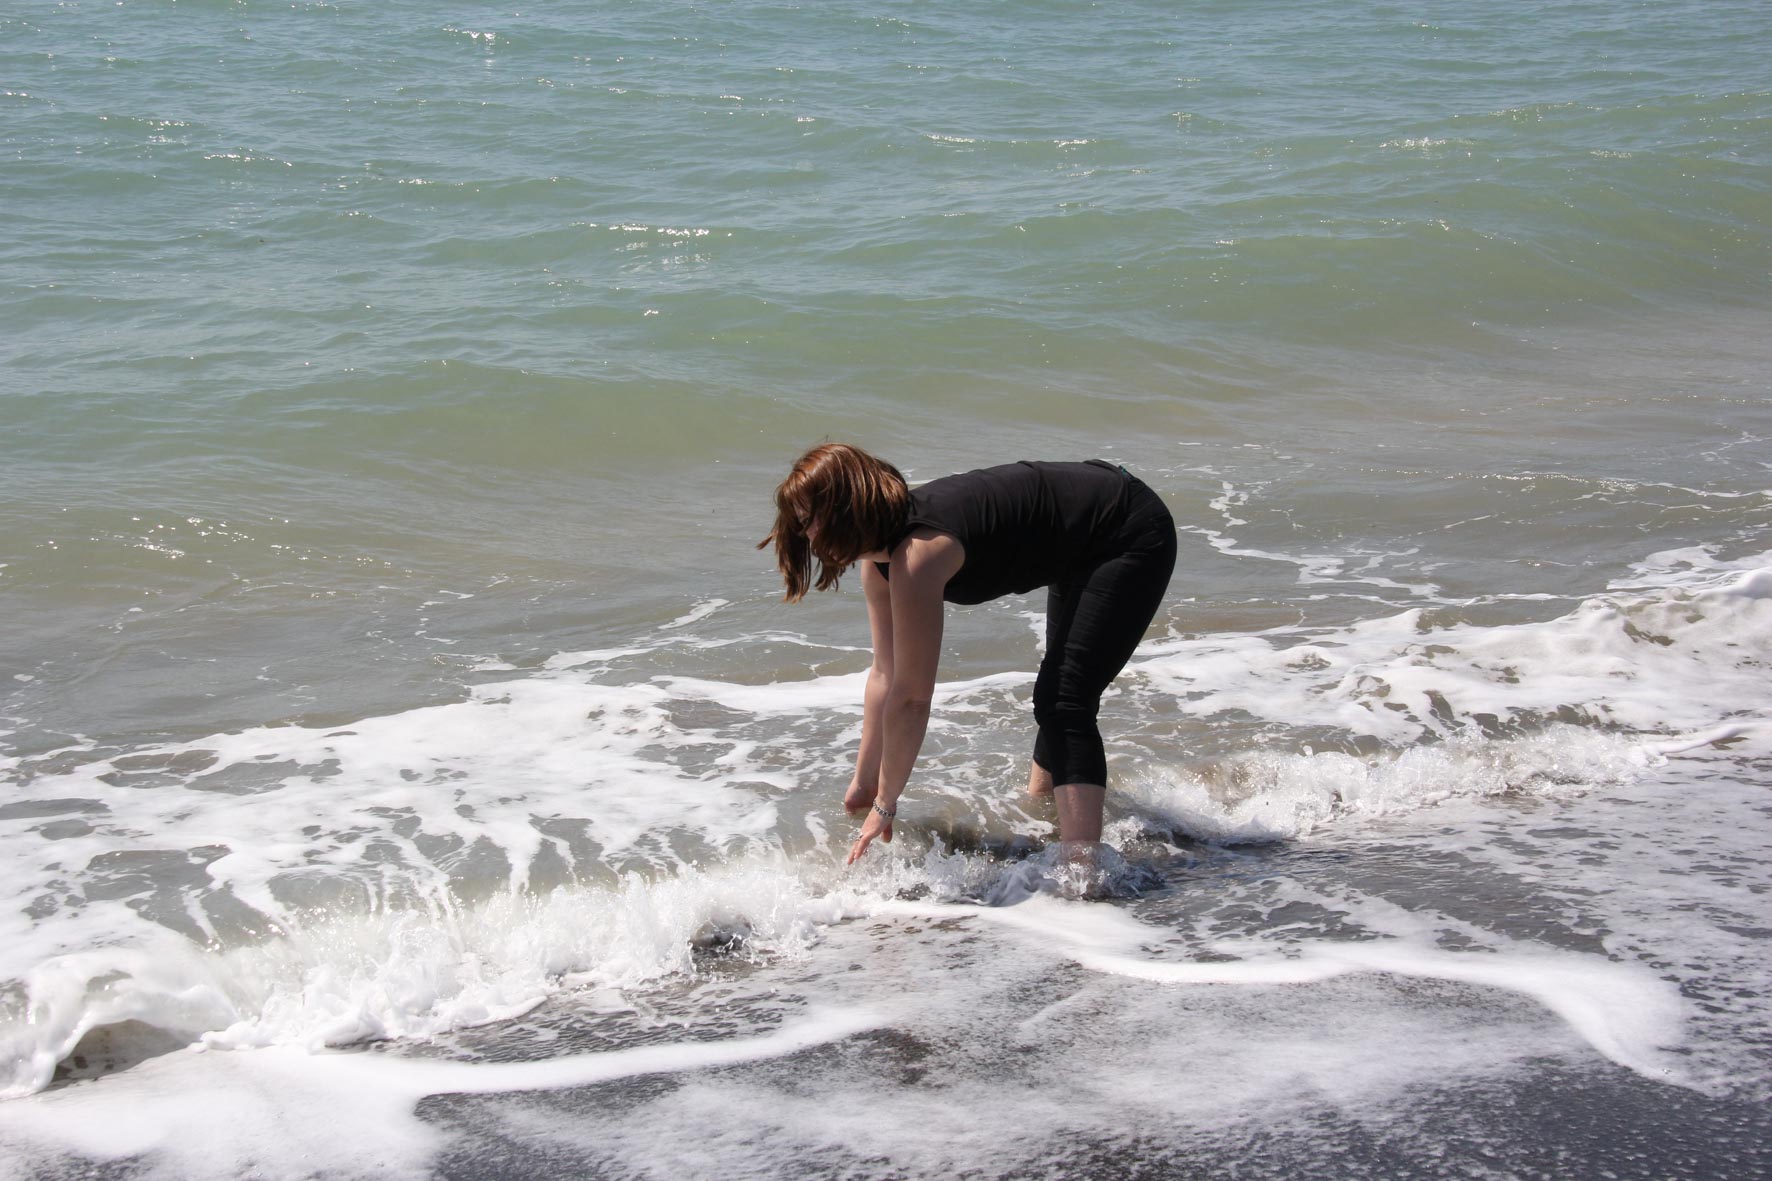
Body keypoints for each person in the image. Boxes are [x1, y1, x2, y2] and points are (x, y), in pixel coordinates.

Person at [760, 443, 1177, 867]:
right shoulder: (879, 564)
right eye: (801, 525)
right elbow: (885, 675)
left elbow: (912, 698)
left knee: (1064, 697)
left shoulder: (918, 553)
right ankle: (1046, 818)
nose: (808, 536)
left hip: (1125, 527)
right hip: (1080, 539)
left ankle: (1084, 871)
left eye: (810, 521)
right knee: (1061, 692)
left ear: (846, 508)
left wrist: (886, 804)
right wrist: (864, 784)